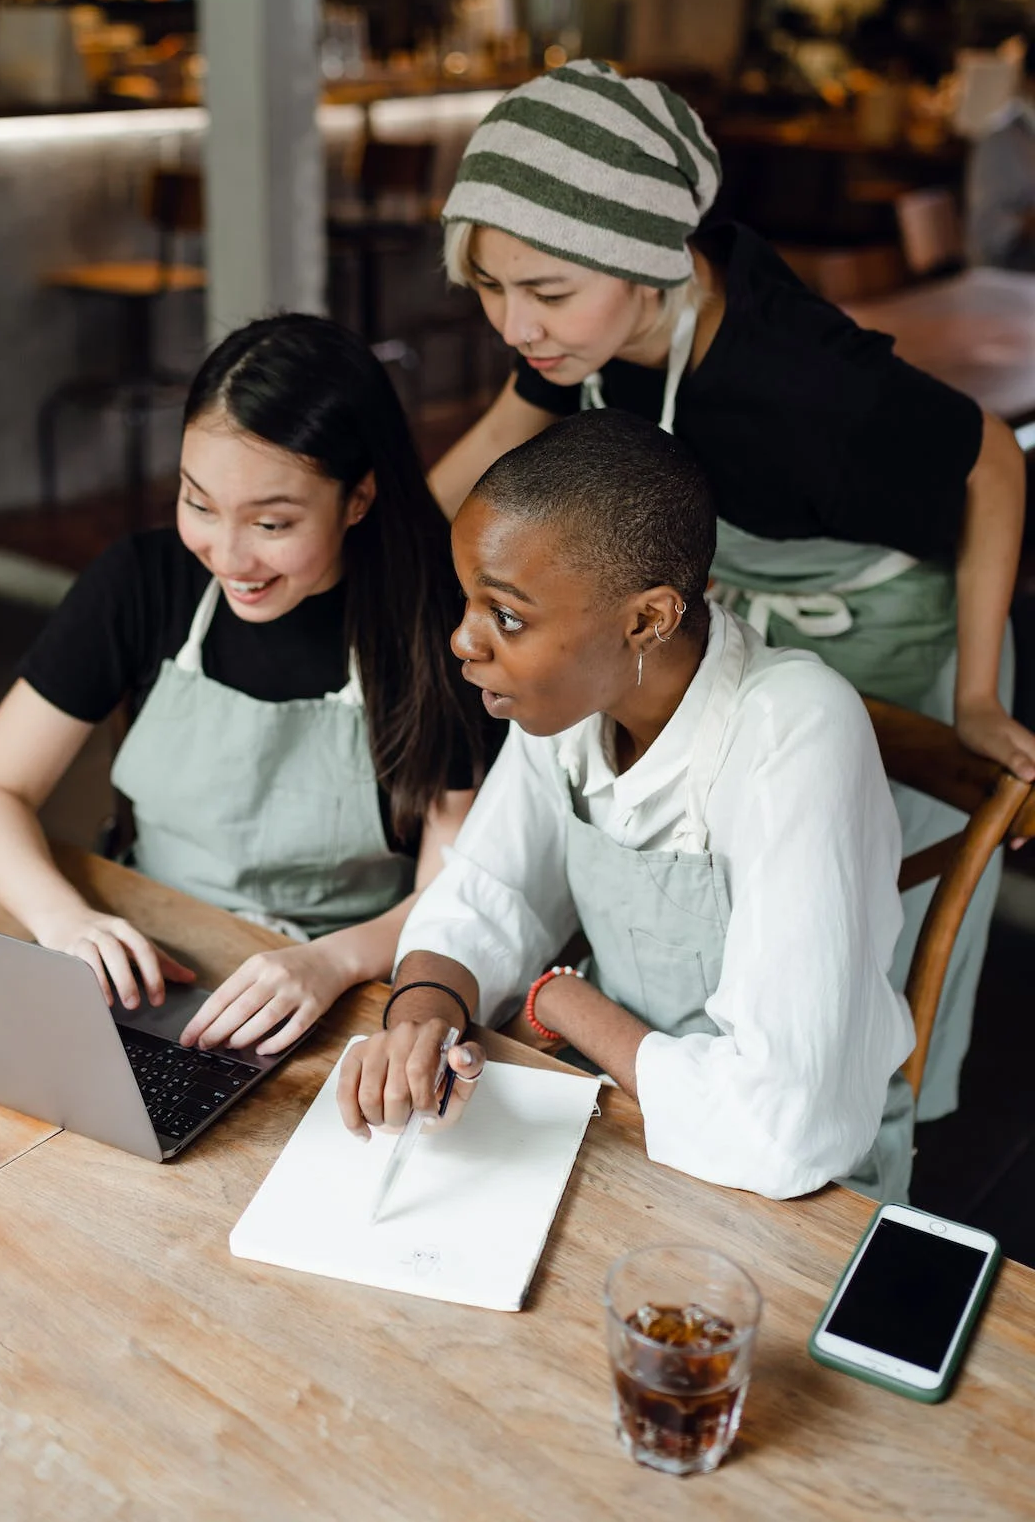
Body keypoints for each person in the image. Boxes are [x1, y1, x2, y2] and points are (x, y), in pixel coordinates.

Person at [424, 58, 1034, 1122]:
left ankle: (857, 1145)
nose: (515, 325)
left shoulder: (804, 382)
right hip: (732, 608)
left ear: (650, 262)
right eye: (488, 286)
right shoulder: (581, 335)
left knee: (837, 934)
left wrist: (976, 693)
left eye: (546, 293)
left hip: (881, 614)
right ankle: (689, 1078)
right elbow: (473, 468)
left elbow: (991, 457)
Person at [338, 409, 915, 1203]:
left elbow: (781, 1129)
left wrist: (564, 1001)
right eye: (468, 600)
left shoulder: (795, 730)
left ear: (647, 618)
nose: (463, 641)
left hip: (806, 1202)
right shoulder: (571, 699)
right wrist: (420, 1016)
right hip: (623, 1123)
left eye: (505, 615)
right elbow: (486, 893)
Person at [0, 314, 493, 1054]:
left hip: (340, 988)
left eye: (271, 523)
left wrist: (332, 961)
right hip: (145, 956)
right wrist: (66, 920)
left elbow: (448, 892)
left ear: (357, 499)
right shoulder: (142, 581)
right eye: (199, 504)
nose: (228, 555)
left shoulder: (437, 627)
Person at [966, 35, 1035, 271]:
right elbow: (987, 234)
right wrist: (1027, 222)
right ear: (1028, 82)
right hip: (1011, 282)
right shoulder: (1000, 141)